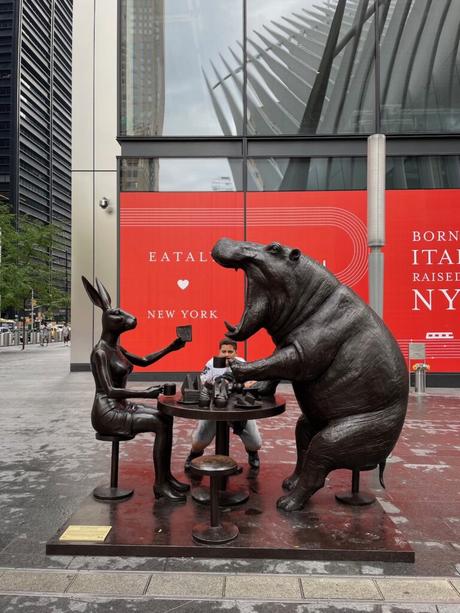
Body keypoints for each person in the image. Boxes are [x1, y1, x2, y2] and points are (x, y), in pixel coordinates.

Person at [184, 339, 261, 472]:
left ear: (235, 352)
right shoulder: (211, 363)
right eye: (223, 351)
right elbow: (202, 382)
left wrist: (241, 385)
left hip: (239, 407)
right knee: (199, 441)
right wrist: (217, 384)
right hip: (215, 407)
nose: (226, 354)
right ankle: (194, 454)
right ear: (219, 351)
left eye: (230, 351)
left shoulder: (242, 364)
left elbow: (252, 382)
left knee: (255, 443)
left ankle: (252, 453)